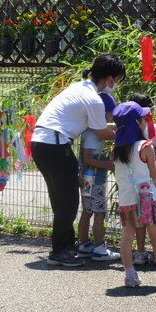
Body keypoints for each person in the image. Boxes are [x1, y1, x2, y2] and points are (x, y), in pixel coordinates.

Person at [31, 53, 124, 267]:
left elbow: (99, 126)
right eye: (117, 78)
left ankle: (64, 245)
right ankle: (59, 251)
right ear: (109, 78)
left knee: (61, 199)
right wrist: (134, 135)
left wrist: (123, 127)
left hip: (42, 143)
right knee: (68, 201)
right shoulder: (93, 99)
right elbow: (101, 132)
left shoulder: (79, 87)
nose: (116, 83)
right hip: (55, 145)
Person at [112, 101, 156, 288]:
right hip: (147, 199)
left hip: (126, 200)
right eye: (143, 118)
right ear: (138, 123)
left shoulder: (115, 150)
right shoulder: (145, 146)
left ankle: (130, 275)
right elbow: (154, 174)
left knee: (127, 237)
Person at [77, 93, 120, 261]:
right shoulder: (92, 134)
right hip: (95, 180)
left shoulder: (91, 129)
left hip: (89, 180)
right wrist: (108, 165)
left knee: (87, 211)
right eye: (110, 113)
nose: (110, 117)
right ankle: (99, 248)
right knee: (99, 212)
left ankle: (84, 245)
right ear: (104, 113)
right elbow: (87, 158)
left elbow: (111, 127)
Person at [127, 93, 156, 265]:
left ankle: (140, 252)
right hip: (153, 181)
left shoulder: (125, 132)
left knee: (138, 220)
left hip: (132, 182)